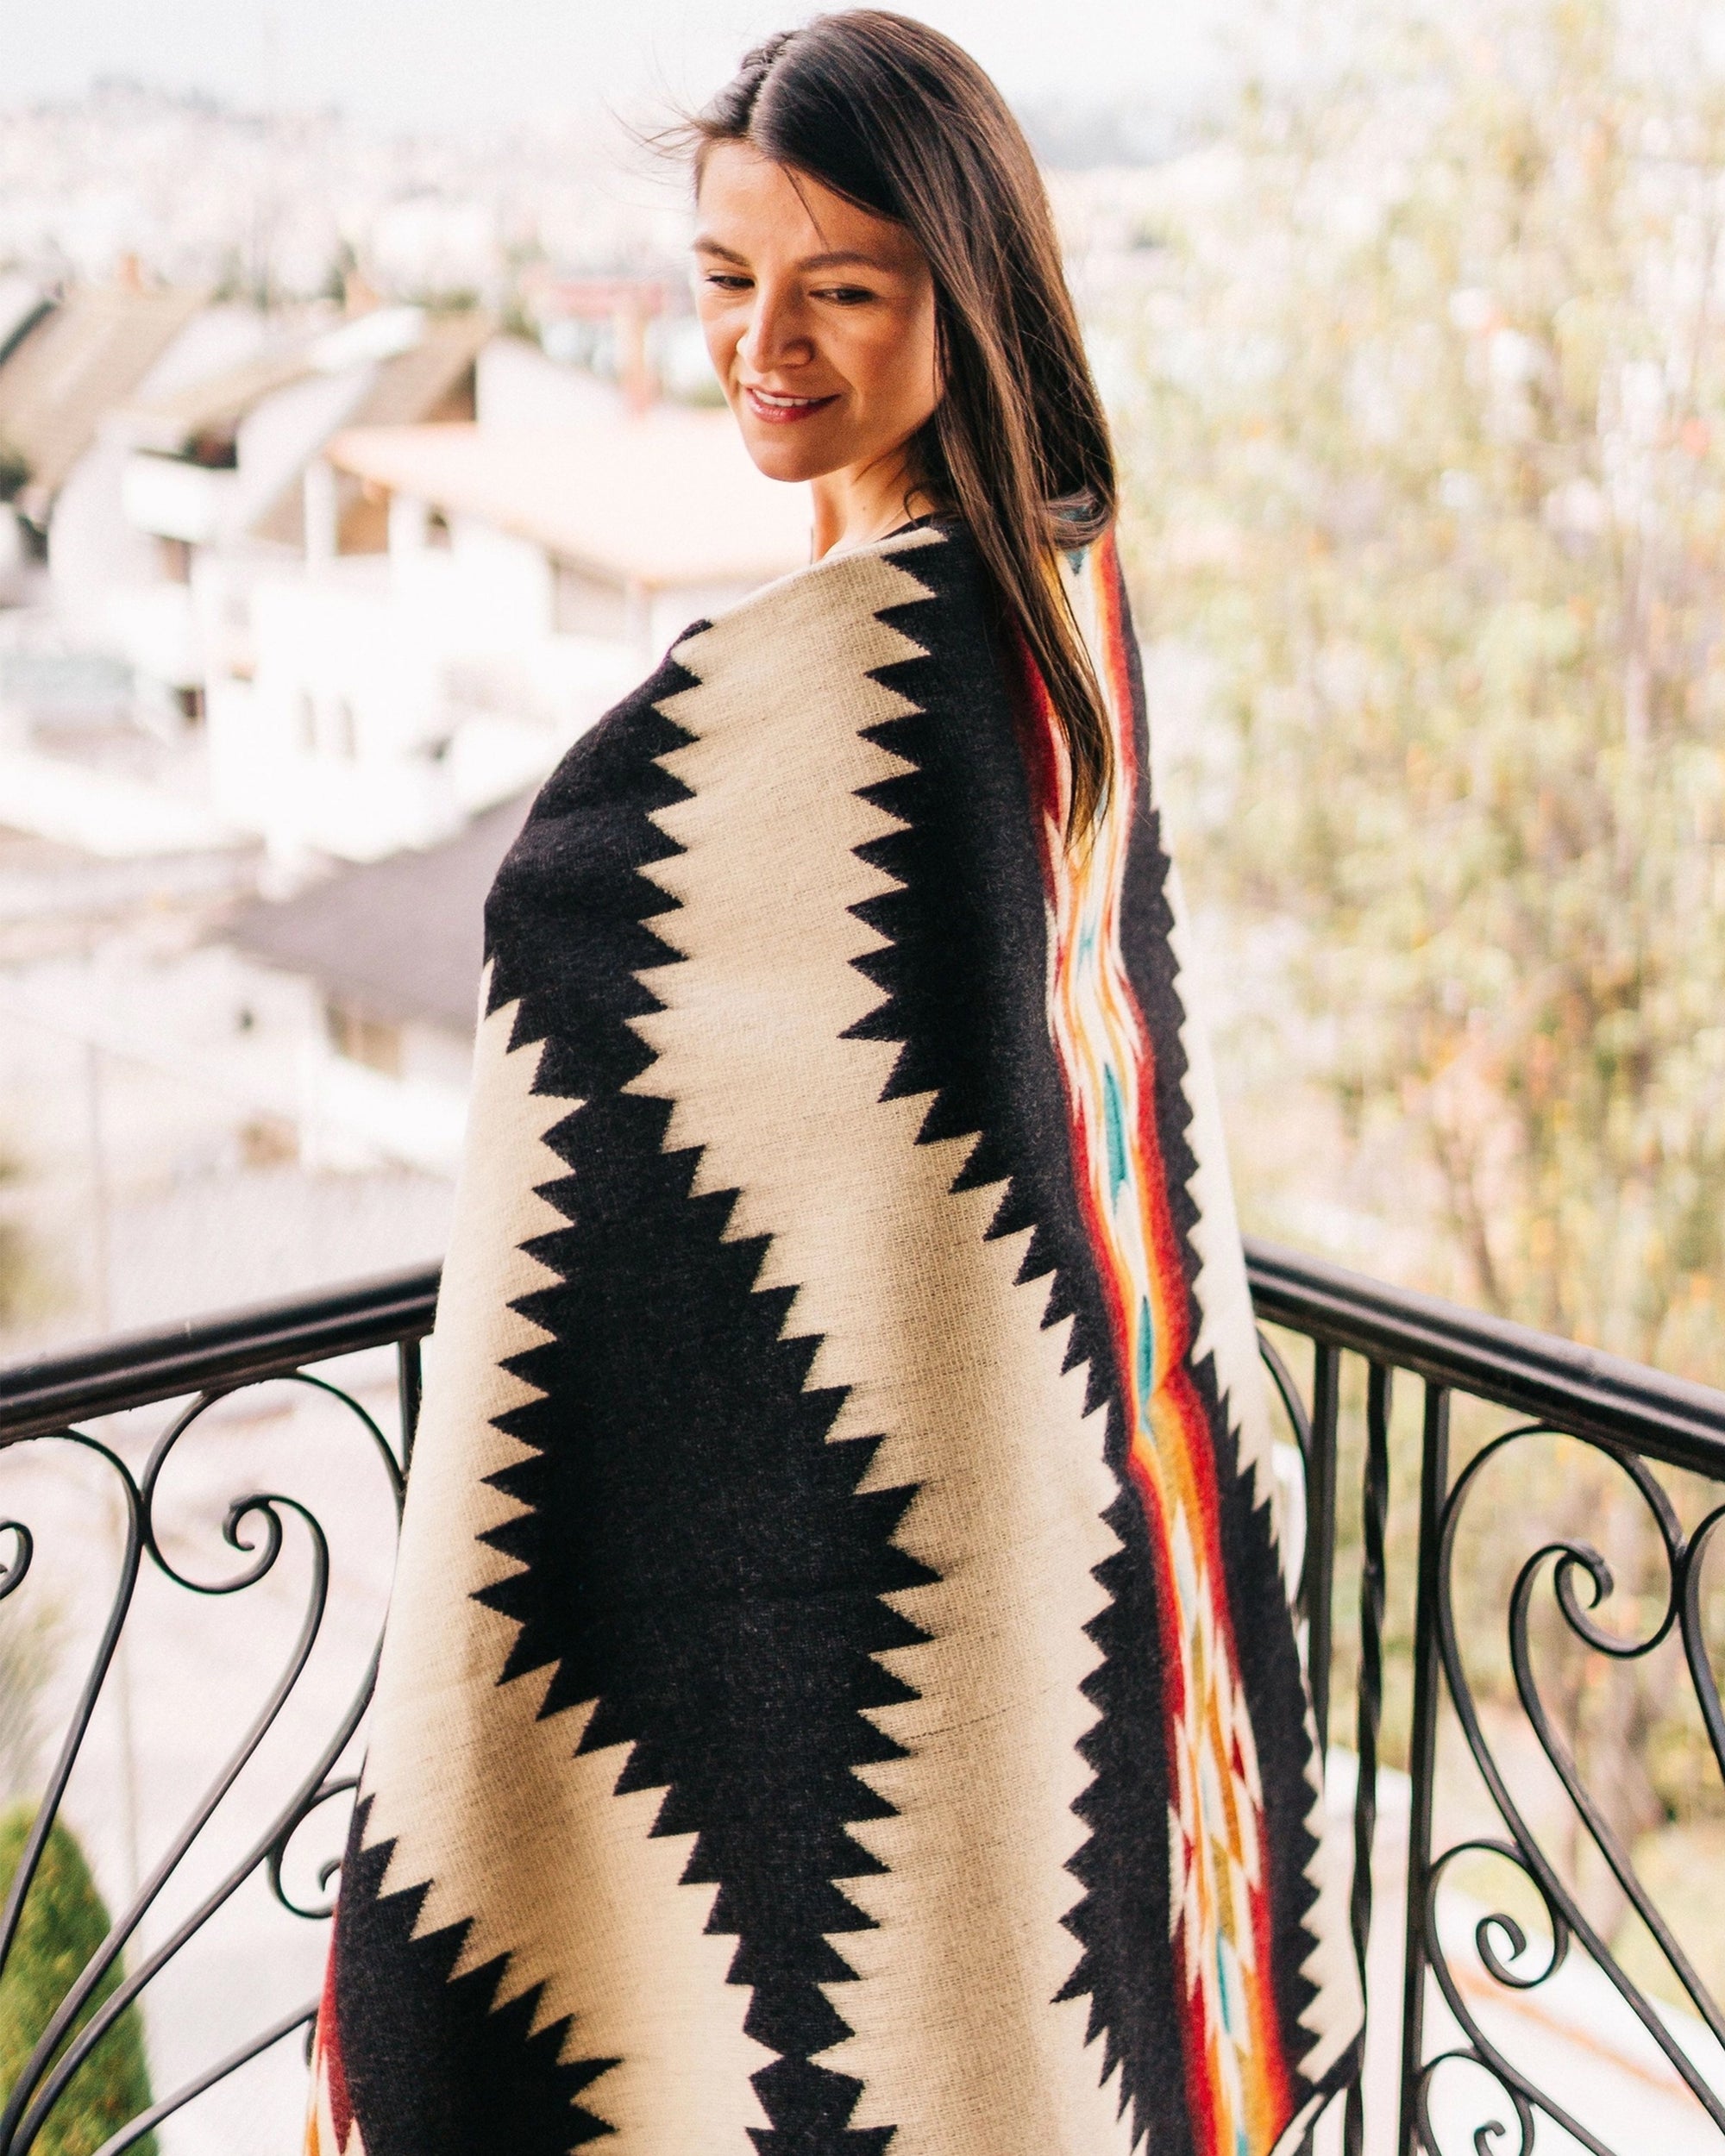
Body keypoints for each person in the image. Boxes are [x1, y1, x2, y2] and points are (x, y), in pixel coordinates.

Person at [305, 16, 1360, 2154]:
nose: (757, 342)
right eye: (720, 277)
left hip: (946, 1592)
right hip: (1055, 1548)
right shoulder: (1061, 599)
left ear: (961, 299)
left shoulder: (843, 697)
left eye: (838, 291)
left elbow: (654, 1050)